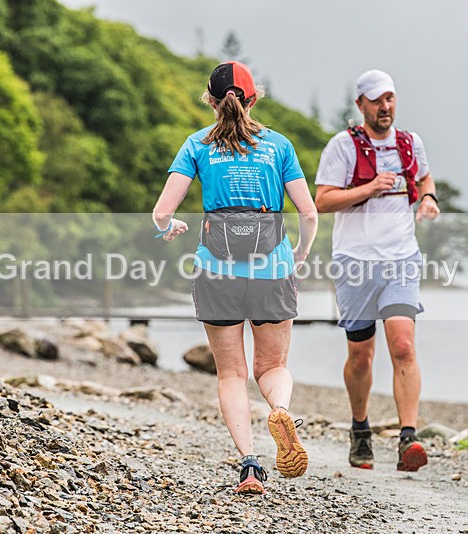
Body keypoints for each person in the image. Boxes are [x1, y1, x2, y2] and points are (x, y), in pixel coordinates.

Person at [153, 61, 318, 494]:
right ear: (253, 98)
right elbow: (309, 213)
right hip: (273, 269)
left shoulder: (196, 145)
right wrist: (297, 254)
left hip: (216, 271)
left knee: (231, 373)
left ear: (210, 100)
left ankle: (249, 466)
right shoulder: (279, 146)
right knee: (273, 366)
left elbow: (162, 212)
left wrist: (169, 230)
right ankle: (280, 409)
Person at [314, 70, 440, 472]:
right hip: (354, 262)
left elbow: (423, 177)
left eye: (390, 98)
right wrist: (369, 189)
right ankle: (360, 429)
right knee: (361, 355)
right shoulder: (343, 147)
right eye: (376, 100)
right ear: (360, 105)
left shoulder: (410, 143)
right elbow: (322, 200)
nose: (385, 107)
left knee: (403, 345)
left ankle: (408, 439)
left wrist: (429, 198)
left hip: (401, 258)